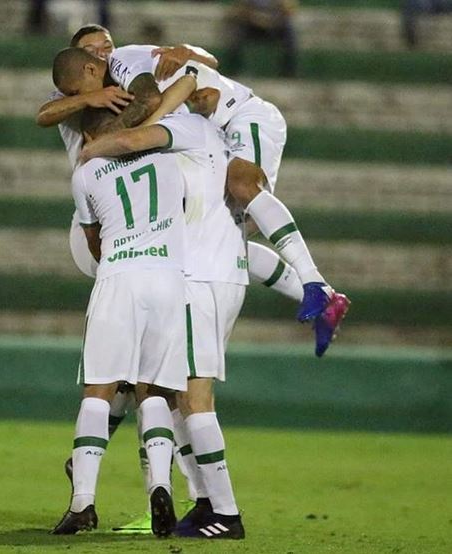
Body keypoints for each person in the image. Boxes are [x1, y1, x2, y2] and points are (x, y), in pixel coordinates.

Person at [51, 45, 350, 357]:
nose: (75, 100)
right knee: (220, 239)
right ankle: (326, 299)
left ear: (90, 69)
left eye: (75, 91)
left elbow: (153, 98)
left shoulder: (122, 62)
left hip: (241, 116)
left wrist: (110, 138)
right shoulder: (116, 89)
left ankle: (314, 282)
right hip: (210, 136)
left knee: (242, 184)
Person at [78, 110, 249, 539]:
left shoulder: (182, 140)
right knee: (167, 394)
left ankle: (223, 512)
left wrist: (93, 149)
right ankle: (202, 501)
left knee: (190, 398)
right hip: (192, 281)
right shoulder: (183, 160)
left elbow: (132, 141)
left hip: (190, 282)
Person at [50, 107, 192, 538]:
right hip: (168, 280)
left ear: (93, 133)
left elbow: (94, 241)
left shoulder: (86, 173)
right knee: (156, 392)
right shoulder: (170, 160)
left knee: (100, 390)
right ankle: (161, 488)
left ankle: (82, 504)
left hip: (119, 277)